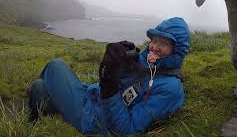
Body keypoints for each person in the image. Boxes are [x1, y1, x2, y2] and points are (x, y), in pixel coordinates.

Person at [28, 17, 190, 135]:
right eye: (154, 40)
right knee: (39, 87)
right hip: (92, 98)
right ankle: (47, 111)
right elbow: (121, 82)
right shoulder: (146, 63)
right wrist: (121, 63)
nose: (154, 47)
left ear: (177, 50)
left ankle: (44, 115)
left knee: (56, 67)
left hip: (95, 121)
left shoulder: (170, 89)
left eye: (163, 43)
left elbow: (126, 129)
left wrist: (109, 88)